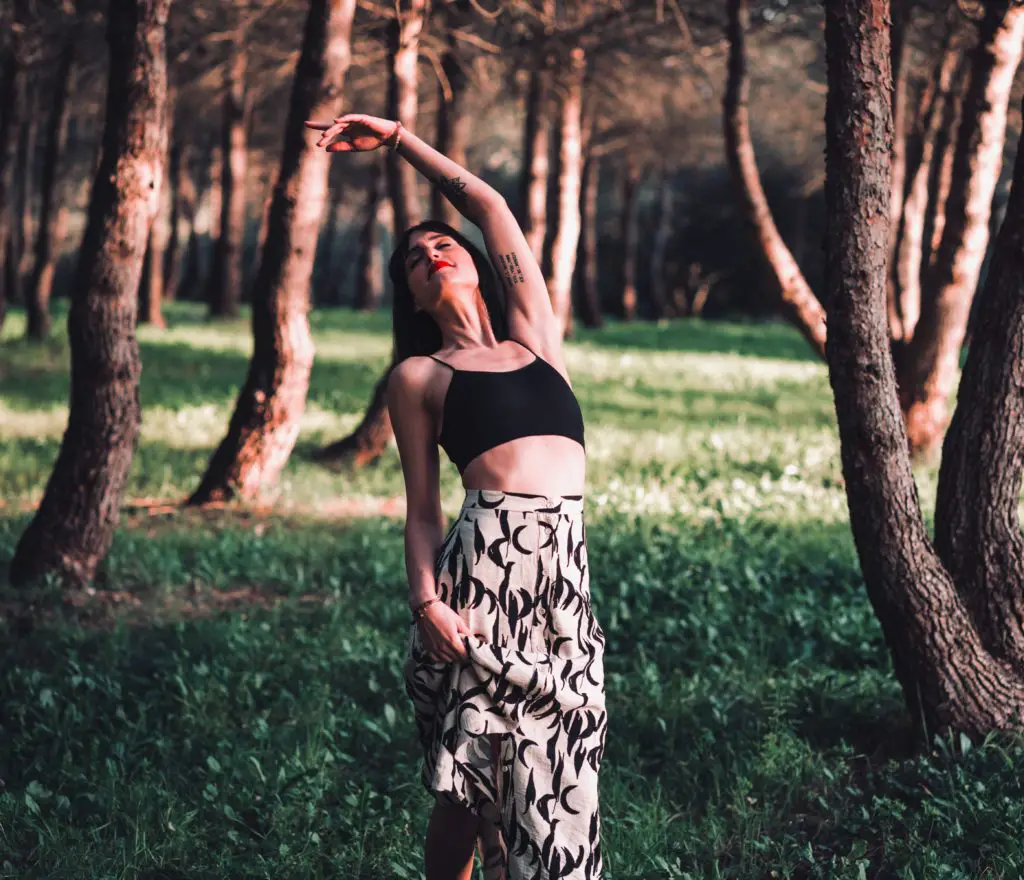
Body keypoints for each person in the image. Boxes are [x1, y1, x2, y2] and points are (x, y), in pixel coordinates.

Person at [306, 112, 608, 880]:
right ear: (409, 293)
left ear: (473, 264)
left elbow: (492, 209)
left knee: (564, 748)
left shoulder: (536, 338)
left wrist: (401, 139)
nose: (431, 254)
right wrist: (426, 603)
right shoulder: (419, 377)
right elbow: (423, 510)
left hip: (563, 581)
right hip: (482, 579)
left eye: (442, 244)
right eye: (413, 258)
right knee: (471, 780)